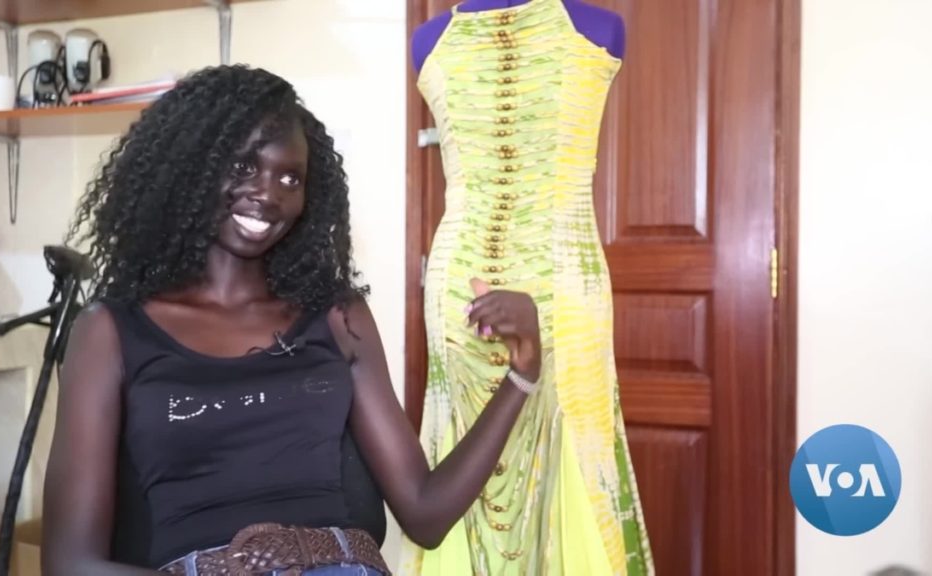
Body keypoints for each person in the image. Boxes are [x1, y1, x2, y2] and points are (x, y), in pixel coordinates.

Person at [41, 65, 543, 575]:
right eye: (243, 167)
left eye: (290, 178)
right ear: (193, 166)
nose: (268, 193)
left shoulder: (338, 317)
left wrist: (522, 372)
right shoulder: (111, 331)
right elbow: (69, 565)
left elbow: (426, 513)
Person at [402, 0, 654, 574]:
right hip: (468, 293)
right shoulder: (428, 40)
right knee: (459, 442)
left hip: (560, 284)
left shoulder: (601, 27)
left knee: (576, 449)